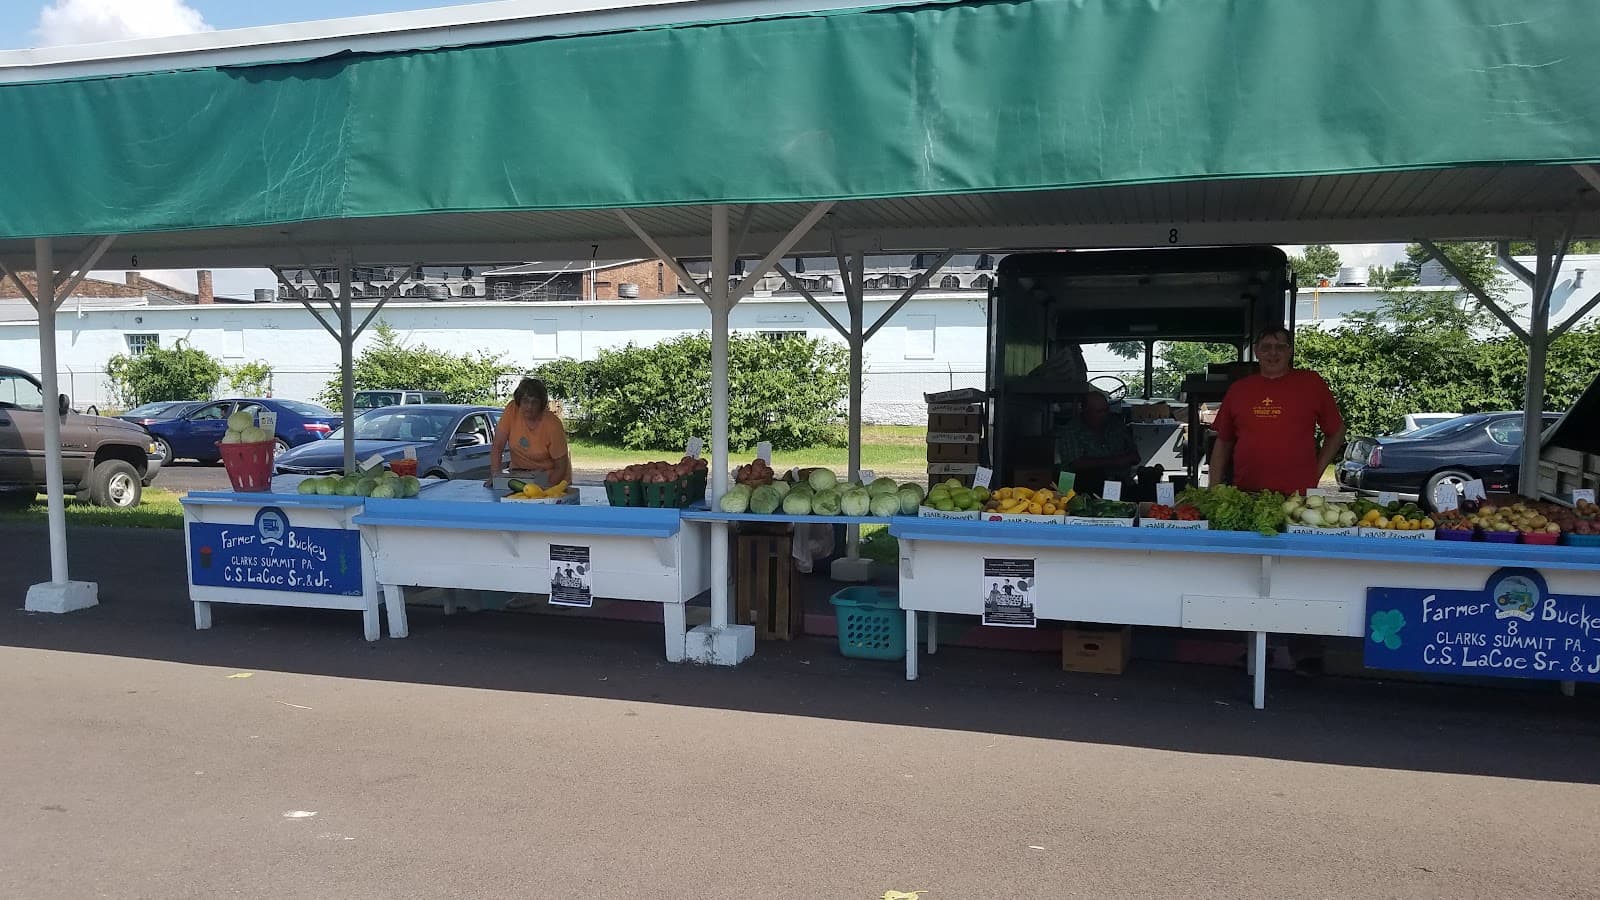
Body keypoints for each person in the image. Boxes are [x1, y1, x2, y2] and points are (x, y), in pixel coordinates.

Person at [1210, 327, 1345, 495]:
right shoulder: (1239, 390)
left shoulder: (1311, 383)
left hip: (1297, 495)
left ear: (1290, 351)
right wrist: (1213, 488)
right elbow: (1223, 442)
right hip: (1246, 492)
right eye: (1266, 347)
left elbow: (1337, 431)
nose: (1273, 353)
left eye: (1280, 347)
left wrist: (1316, 473)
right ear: (1256, 351)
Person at [486, 377, 572, 487]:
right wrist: (495, 476)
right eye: (525, 401)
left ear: (541, 404)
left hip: (553, 477)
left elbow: (561, 466)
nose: (529, 407)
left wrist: (546, 490)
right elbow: (497, 446)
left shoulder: (553, 424)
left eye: (534, 402)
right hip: (520, 474)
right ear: (519, 401)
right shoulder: (512, 410)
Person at [1057, 391, 1140, 493]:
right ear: (1085, 411)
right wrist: (1115, 461)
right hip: (1079, 487)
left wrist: (1129, 458)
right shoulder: (1070, 430)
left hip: (1119, 483)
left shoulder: (1116, 424)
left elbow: (1135, 455)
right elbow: (1075, 463)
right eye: (1099, 411)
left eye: (1106, 410)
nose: (1104, 414)